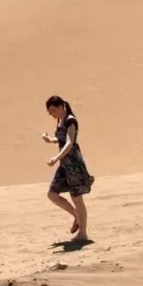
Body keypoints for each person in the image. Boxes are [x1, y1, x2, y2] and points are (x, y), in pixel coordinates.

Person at [41, 95, 94, 244]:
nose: (52, 114)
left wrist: (56, 158)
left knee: (77, 198)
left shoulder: (71, 120)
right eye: (49, 112)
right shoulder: (61, 120)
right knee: (52, 194)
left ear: (60, 107)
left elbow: (70, 142)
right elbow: (63, 139)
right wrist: (51, 139)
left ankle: (83, 233)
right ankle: (76, 216)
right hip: (64, 165)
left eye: (53, 110)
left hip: (74, 165)